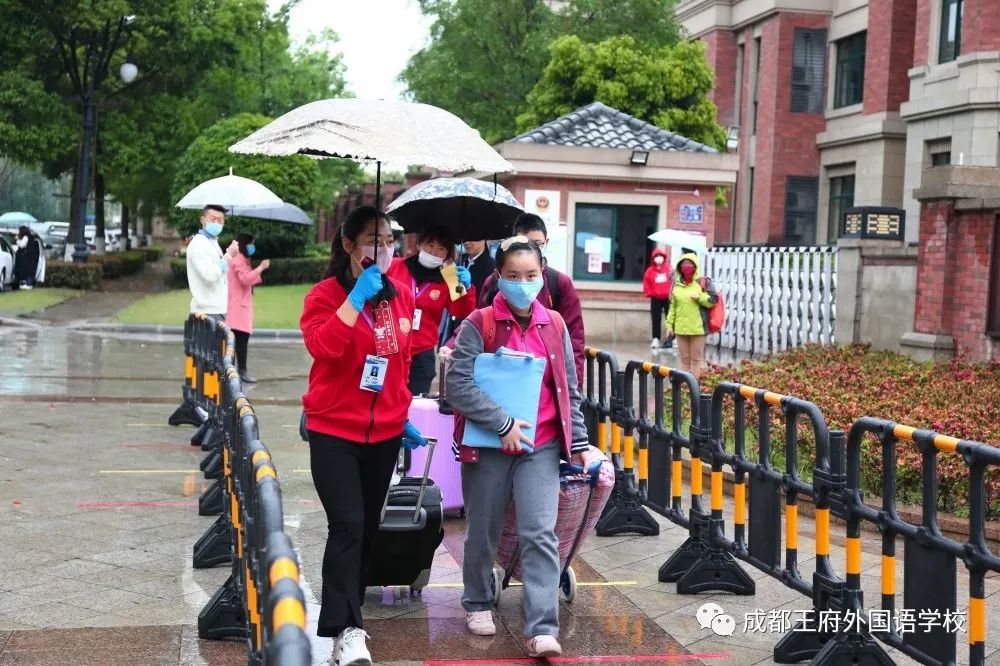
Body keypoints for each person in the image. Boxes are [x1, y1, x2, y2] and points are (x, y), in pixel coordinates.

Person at [446, 236, 598, 659]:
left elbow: (568, 387)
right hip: (489, 446)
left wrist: (580, 440)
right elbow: (457, 385)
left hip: (542, 445)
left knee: (540, 533)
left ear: (542, 273)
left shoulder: (554, 324)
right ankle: (477, 601)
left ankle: (542, 627)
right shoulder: (479, 323)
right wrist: (503, 423)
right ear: (498, 277)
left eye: (531, 275)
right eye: (513, 276)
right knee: (483, 529)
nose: (522, 283)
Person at [300, 205, 429, 666]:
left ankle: (348, 625)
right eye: (372, 239)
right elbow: (323, 349)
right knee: (348, 524)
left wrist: (401, 411)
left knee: (366, 531)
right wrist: (354, 301)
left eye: (390, 239)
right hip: (333, 430)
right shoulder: (323, 295)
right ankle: (348, 629)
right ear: (348, 246)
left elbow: (402, 361)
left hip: (385, 433)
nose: (383, 247)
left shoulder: (401, 297)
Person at [478, 214, 586, 388]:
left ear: (546, 242)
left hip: (546, 382)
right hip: (500, 381)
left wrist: (573, 391)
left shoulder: (559, 283)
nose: (530, 249)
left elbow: (575, 342)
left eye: (537, 244)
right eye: (513, 276)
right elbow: (478, 327)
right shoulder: (494, 282)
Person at [385, 225, 475, 395]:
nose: (434, 252)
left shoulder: (450, 277)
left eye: (441, 248)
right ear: (420, 245)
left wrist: (467, 288)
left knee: (415, 405)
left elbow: (462, 311)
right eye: (431, 245)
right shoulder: (396, 266)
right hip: (390, 346)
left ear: (447, 254)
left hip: (422, 353)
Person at [665, 252, 718, 380]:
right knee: (684, 360)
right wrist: (669, 325)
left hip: (698, 328)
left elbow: (713, 300)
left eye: (689, 264)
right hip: (680, 328)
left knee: (696, 360)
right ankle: (683, 388)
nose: (686, 266)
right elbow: (673, 307)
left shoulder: (703, 282)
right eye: (684, 264)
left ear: (695, 266)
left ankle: (695, 388)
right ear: (679, 267)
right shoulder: (677, 284)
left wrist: (700, 297)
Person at [226, 233, 270, 384]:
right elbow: (245, 279)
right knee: (240, 340)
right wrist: (261, 268)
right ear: (245, 243)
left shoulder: (243, 259)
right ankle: (240, 371)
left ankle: (234, 371)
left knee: (238, 340)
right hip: (237, 307)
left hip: (240, 306)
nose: (253, 246)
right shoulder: (238, 260)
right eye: (252, 243)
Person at [186, 205, 238, 318]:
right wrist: (228, 255)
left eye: (220, 220)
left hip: (218, 309)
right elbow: (210, 276)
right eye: (213, 219)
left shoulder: (212, 242)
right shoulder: (198, 244)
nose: (216, 223)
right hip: (207, 312)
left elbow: (221, 273)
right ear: (202, 220)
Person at [642, 248, 673, 349]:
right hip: (655, 298)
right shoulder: (650, 271)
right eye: (656, 256)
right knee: (656, 318)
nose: (659, 258)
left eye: (660, 256)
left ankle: (672, 338)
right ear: (653, 258)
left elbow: (674, 281)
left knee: (671, 318)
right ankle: (656, 338)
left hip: (668, 298)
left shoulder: (669, 269)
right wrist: (650, 293)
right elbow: (646, 284)